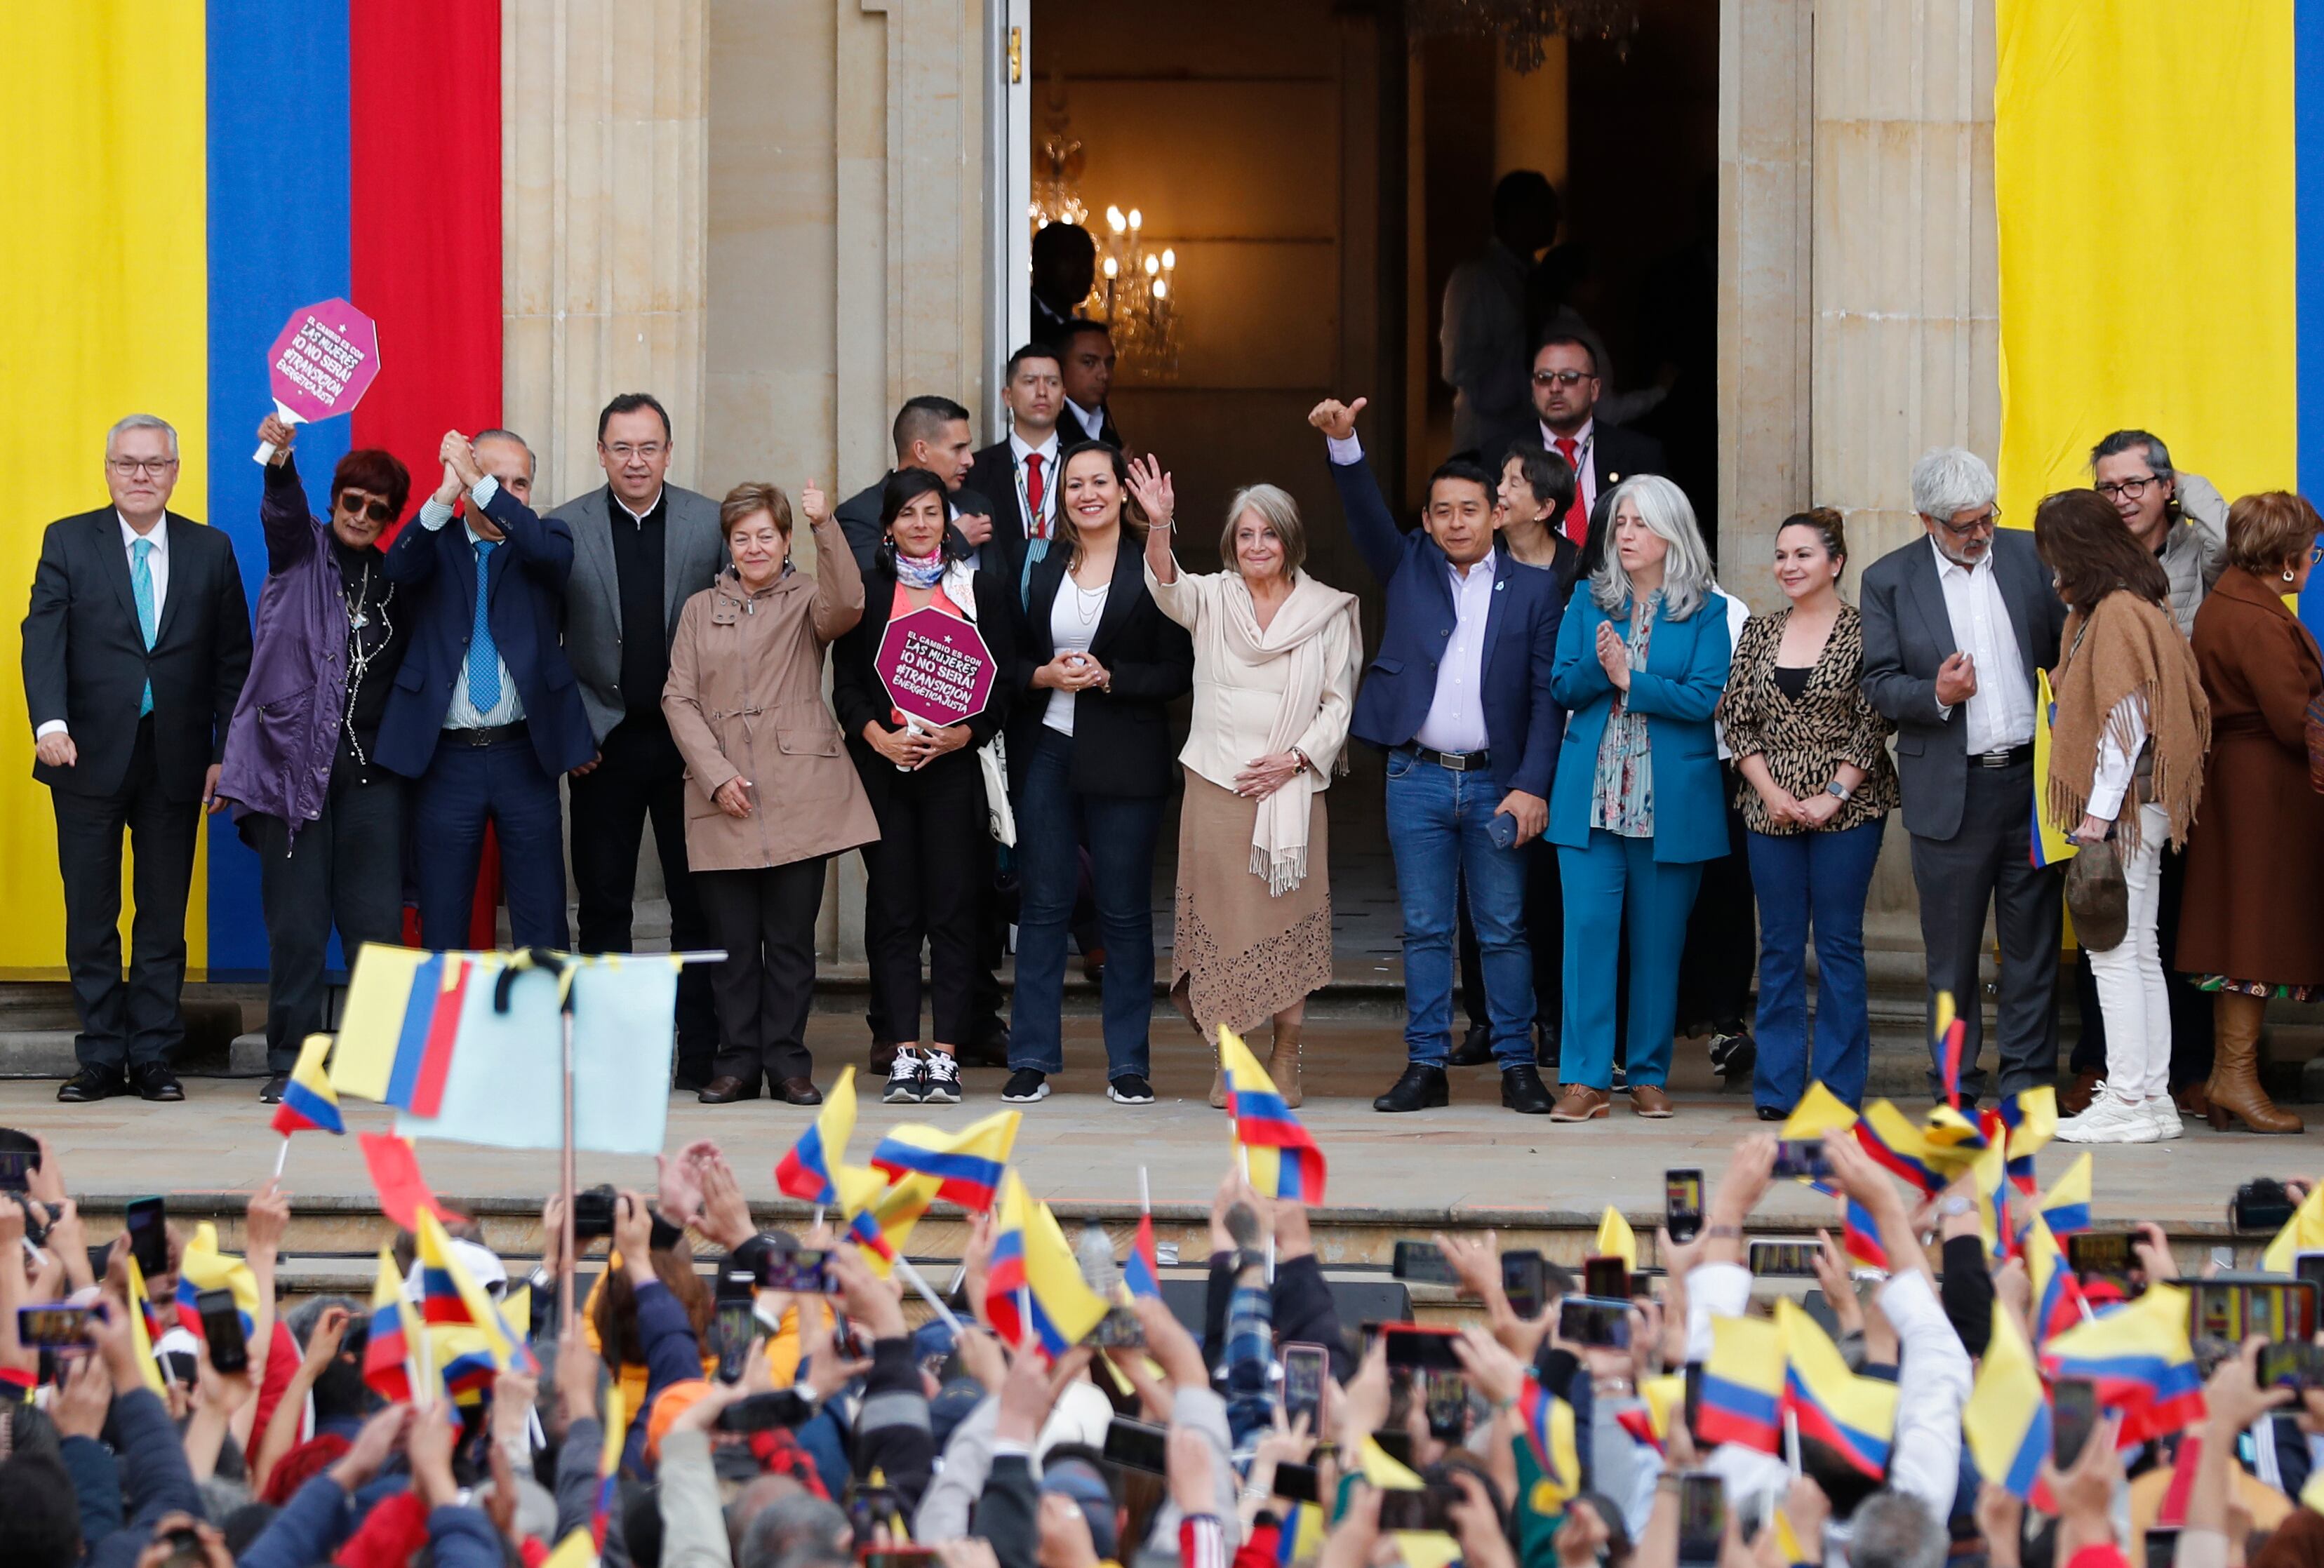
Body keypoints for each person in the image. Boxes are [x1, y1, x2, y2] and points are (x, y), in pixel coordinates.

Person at [1311, 396, 1564, 1117]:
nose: (1456, 522)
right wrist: (1346, 445)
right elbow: (1362, 514)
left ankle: (1518, 1062)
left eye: (1469, 510)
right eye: (1442, 511)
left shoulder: (1538, 590)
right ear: (1426, 522)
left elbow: (1548, 700)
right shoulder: (1410, 564)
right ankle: (1426, 1064)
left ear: (1497, 515)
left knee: (1503, 929)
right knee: (1423, 929)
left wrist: (1531, 786)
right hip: (1415, 777)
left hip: (1497, 787)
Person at [22, 414, 252, 1104]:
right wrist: (50, 722)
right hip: (84, 755)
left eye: (155, 463)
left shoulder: (210, 550)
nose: (142, 475)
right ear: (108, 469)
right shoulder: (68, 541)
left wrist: (224, 753)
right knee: (91, 915)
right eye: (128, 463)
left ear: (176, 471)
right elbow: (43, 639)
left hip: (177, 759)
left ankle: (152, 1056)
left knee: (161, 915)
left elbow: (233, 662)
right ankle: (99, 1058)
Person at [1136, 460, 1361, 1111]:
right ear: (1231, 544)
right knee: (1222, 924)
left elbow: (1338, 705)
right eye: (1244, 535)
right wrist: (1158, 525)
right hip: (1216, 786)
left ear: (1291, 540)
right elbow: (1164, 582)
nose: (1256, 546)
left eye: (1269, 534)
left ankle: (1286, 1056)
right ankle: (1229, 1055)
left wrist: (1294, 759)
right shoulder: (1212, 596)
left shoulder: (1327, 611)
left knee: (1285, 927)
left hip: (1291, 791)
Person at [1859, 447, 2068, 1105]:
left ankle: (2029, 1087)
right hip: (1952, 793)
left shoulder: (2031, 554)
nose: (1980, 533)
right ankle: (1955, 1089)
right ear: (1927, 519)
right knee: (1949, 960)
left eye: (1987, 517)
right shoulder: (1889, 579)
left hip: (2030, 785)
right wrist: (1939, 694)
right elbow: (1879, 685)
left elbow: (2071, 641)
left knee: (2032, 952)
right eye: (1964, 524)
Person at [222, 415, 415, 1104]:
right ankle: (292, 1066)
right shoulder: (301, 553)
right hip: (294, 768)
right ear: (334, 501)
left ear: (391, 516)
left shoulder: (396, 581)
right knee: (298, 928)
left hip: (372, 778)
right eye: (352, 500)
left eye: (378, 507)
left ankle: (374, 1062)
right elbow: (279, 508)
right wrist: (278, 456)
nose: (362, 514)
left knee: (377, 929)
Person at [664, 481, 875, 1105]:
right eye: (742, 537)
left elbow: (850, 606)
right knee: (730, 945)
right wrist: (716, 774)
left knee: (789, 942)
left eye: (766, 535)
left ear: (785, 541)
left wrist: (824, 526)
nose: (754, 547)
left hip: (799, 791)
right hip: (722, 793)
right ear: (728, 544)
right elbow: (678, 697)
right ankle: (736, 1064)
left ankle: (787, 1063)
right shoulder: (701, 608)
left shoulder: (808, 596)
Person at [1001, 441, 1193, 1105]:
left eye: (1099, 482)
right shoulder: (1040, 563)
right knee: (1044, 905)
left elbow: (1177, 671)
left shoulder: (1153, 568)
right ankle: (1029, 1057)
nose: (1087, 493)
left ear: (1122, 493)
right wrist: (1042, 674)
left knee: (1123, 912)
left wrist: (1111, 678)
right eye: (1074, 483)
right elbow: (1008, 654)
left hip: (1126, 754)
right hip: (1047, 747)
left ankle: (1129, 1064)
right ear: (1063, 496)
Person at [554, 392, 728, 1090]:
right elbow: (543, 644)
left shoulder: (709, 523)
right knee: (602, 906)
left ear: (668, 451)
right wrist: (572, 733)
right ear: (601, 453)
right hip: (604, 743)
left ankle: (703, 1054)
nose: (635, 460)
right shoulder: (564, 527)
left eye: (648, 447)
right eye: (621, 447)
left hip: (687, 748)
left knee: (698, 906)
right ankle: (610, 1058)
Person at [1544, 476, 1732, 1122]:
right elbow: (1562, 685)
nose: (1624, 534)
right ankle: (1584, 1080)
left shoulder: (1705, 611)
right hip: (1592, 803)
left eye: (1639, 524)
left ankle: (1648, 1075)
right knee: (1588, 938)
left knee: (1659, 946)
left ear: (1671, 534)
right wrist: (1603, 669)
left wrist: (1634, 678)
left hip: (1670, 806)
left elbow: (1706, 697)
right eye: (1620, 522)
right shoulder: (1587, 600)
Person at [832, 469, 1017, 1106]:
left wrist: (962, 735)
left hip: (953, 775)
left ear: (947, 520)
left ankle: (946, 1056)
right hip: (886, 773)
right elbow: (847, 687)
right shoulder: (868, 594)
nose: (919, 524)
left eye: (931, 512)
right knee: (894, 914)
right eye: (906, 513)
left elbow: (1003, 687)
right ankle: (904, 1051)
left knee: (954, 912)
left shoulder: (979, 589)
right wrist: (876, 736)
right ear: (887, 525)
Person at [2032, 488, 2210, 1146]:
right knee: (2139, 950)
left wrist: (2097, 818)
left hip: (2128, 806)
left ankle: (2129, 1096)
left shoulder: (2115, 613)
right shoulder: (2144, 599)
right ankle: (2153, 1097)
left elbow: (2124, 721)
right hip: (2150, 804)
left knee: (2112, 951)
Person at [2065, 428, 2230, 1118]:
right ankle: (2099, 1067)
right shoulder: (2095, 560)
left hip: (2181, 768)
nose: (2121, 499)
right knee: (2105, 921)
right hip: (2109, 771)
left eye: (2135, 484)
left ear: (2166, 486)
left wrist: (2186, 488)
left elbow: (2242, 546)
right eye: (2108, 487)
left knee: (2175, 926)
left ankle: (2181, 1072)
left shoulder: (2198, 550)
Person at [378, 429, 593, 951]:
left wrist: (481, 483)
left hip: (525, 754)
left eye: (520, 484)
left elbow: (547, 554)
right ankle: (450, 1031)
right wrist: (450, 493)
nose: (509, 493)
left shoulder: (547, 540)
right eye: (496, 479)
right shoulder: (438, 541)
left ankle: (545, 1028)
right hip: (446, 761)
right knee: (444, 914)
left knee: (542, 915)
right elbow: (398, 568)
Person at [1714, 509, 1897, 1115]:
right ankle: (1778, 1089)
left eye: (1803, 555)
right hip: (1770, 806)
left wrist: (1833, 793)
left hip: (1849, 804)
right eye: (1782, 555)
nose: (1787, 567)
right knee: (1781, 946)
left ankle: (1838, 1092)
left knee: (1840, 943)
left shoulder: (1869, 630)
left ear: (1835, 563)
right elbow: (1735, 717)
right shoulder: (1759, 632)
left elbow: (1876, 721)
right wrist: (1768, 791)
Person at [2175, 490, 2323, 1134]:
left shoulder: (2233, 598)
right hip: (2263, 791)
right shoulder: (2257, 618)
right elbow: (2296, 721)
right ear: (2288, 560)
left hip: (2245, 786)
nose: (2315, 563)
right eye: (2313, 553)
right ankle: (2234, 1077)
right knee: (2253, 934)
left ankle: (2225, 1077)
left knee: (2243, 930)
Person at [1450, 442, 1582, 1070]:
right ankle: (1484, 1020)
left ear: (1546, 506)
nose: (1498, 493)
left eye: (1512, 482)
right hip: (1490, 758)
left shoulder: (1581, 572)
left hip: (1563, 755)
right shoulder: (1479, 562)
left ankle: (1551, 1020)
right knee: (1477, 900)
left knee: (1548, 898)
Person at [1439, 170, 1562, 460]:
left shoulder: (1538, 277)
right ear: (1517, 214)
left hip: (1532, 439)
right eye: (1545, 209)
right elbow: (1457, 367)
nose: (1556, 218)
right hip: (1487, 438)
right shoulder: (1476, 280)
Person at [1528, 335, 1667, 550]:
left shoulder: (1640, 454)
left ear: (1594, 389)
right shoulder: (1500, 454)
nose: (1555, 387)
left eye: (1569, 377)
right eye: (1544, 378)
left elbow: (1661, 535)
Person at [836, 397, 1001, 575]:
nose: (969, 460)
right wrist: (956, 541)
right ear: (921, 451)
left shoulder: (976, 505)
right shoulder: (859, 515)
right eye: (958, 449)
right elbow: (876, 585)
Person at [966, 344, 1068, 556]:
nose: (1042, 392)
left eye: (1052, 383)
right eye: (1030, 382)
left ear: (1063, 397)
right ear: (1008, 396)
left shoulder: (1083, 463)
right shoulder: (975, 470)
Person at [1055, 321, 1125, 449]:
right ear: (1059, 367)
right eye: (1089, 363)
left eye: (1109, 364)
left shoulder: (1108, 434)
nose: (1104, 375)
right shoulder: (1047, 428)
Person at [1031, 221, 1097, 347]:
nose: (1084, 270)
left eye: (1089, 260)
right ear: (1039, 264)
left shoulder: (1080, 329)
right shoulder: (1021, 323)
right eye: (1072, 259)